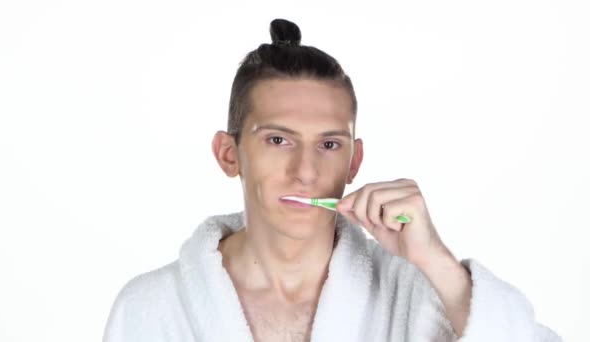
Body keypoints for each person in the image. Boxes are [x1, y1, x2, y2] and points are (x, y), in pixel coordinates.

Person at [102, 19, 562, 342]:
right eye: (279, 140)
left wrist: (438, 263)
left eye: (328, 145)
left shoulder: (417, 298)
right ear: (228, 154)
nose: (306, 171)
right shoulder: (151, 309)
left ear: (355, 161)